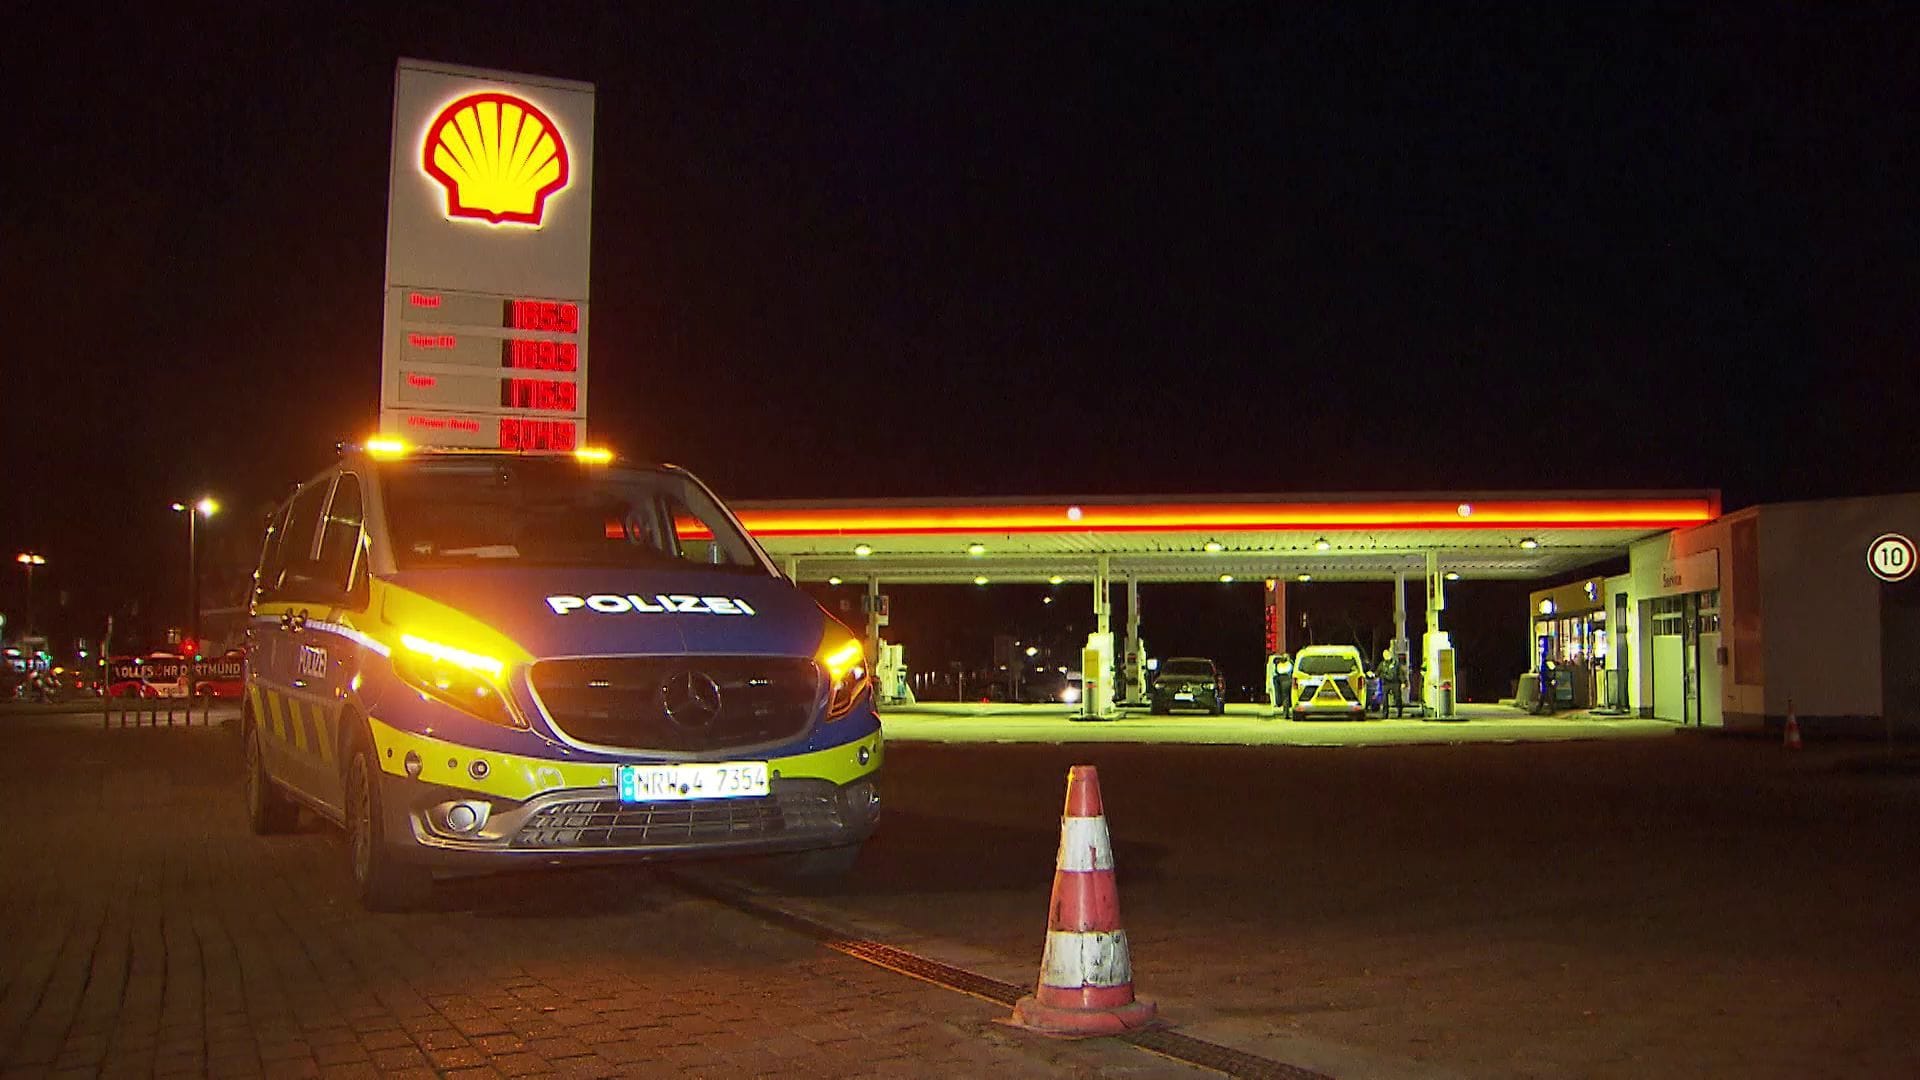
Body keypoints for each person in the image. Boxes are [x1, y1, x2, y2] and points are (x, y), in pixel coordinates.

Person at [1378, 648, 1404, 718]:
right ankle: (1385, 714)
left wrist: (1403, 682)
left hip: (1395, 683)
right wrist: (1373, 675)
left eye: (1387, 654)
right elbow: (1378, 672)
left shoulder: (1396, 663)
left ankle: (1399, 712)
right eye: (1384, 655)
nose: (1386, 656)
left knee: (1397, 698)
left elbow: (1400, 673)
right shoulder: (1382, 664)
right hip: (1385, 684)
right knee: (1384, 699)